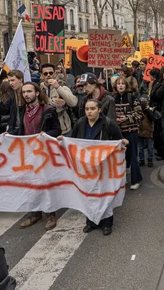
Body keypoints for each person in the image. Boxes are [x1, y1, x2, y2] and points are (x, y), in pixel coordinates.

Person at [66, 99, 128, 235]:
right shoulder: (80, 123)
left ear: (99, 110)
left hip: (103, 166)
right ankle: (91, 222)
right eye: (87, 109)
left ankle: (106, 223)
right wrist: (61, 141)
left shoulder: (108, 123)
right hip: (85, 166)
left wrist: (122, 142)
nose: (89, 111)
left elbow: (119, 139)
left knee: (103, 193)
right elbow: (72, 140)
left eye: (92, 109)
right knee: (88, 193)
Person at [11, 82, 62, 230]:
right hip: (27, 153)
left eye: (29, 91)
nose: (26, 94)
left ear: (37, 93)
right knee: (30, 183)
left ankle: (50, 214)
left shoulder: (47, 110)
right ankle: (35, 213)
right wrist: (7, 135)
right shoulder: (21, 111)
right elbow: (18, 129)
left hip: (44, 154)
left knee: (45, 183)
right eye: (24, 92)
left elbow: (57, 130)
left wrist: (45, 135)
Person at [113, 76, 143, 190]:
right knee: (119, 157)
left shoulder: (133, 97)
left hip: (131, 131)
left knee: (133, 155)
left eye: (122, 84)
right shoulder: (112, 98)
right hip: (118, 133)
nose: (120, 85)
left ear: (126, 86)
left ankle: (136, 180)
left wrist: (125, 118)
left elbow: (139, 114)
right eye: (118, 83)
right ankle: (121, 180)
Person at [40, 63, 78, 136]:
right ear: (42, 76)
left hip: (63, 128)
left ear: (54, 74)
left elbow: (74, 102)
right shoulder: (40, 89)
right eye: (45, 73)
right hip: (46, 128)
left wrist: (58, 87)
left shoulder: (62, 87)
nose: (48, 75)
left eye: (50, 73)